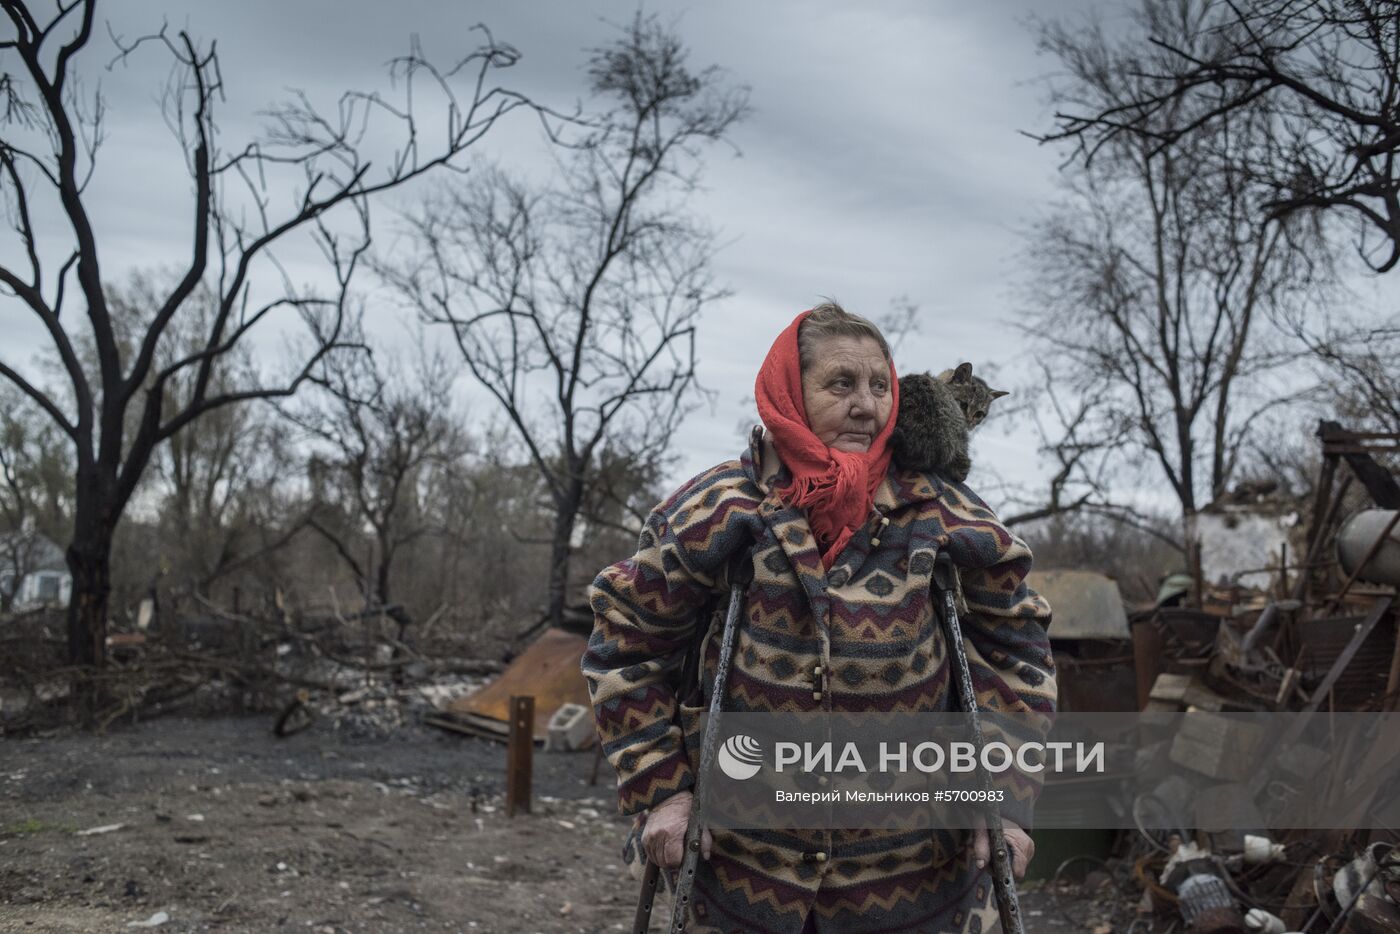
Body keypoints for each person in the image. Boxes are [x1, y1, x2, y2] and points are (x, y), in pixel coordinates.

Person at [582, 304, 1056, 933]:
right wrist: (661, 789)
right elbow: (626, 641)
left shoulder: (943, 512)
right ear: (789, 391)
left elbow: (1015, 651)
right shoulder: (719, 506)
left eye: (879, 385)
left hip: (913, 869)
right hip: (746, 864)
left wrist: (1004, 793)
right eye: (841, 384)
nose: (866, 406)